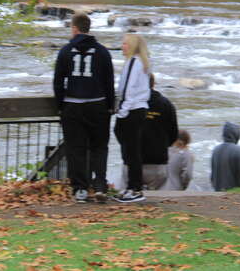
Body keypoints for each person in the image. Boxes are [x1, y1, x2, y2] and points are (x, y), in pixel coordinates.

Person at [53, 12, 115, 204]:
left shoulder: (65, 51)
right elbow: (109, 82)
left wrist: (60, 105)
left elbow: (58, 81)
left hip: (72, 105)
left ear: (74, 28)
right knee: (99, 147)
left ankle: (80, 188)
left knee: (76, 148)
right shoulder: (102, 52)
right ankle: (100, 185)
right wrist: (110, 105)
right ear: (89, 28)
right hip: (97, 104)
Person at [117, 73, 178, 190]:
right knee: (155, 200)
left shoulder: (127, 104)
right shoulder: (166, 104)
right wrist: (162, 145)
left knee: (130, 198)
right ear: (153, 84)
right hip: (157, 163)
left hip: (130, 162)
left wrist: (126, 146)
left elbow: (119, 131)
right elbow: (173, 134)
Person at [113, 33, 151, 203]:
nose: (122, 46)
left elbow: (128, 89)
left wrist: (121, 111)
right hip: (139, 108)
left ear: (132, 46)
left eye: (125, 44)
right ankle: (132, 187)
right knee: (132, 149)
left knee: (131, 150)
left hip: (132, 110)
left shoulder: (134, 63)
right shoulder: (141, 63)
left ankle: (134, 188)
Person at [210, 121, 240, 191]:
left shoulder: (215, 150)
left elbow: (212, 178)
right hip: (234, 195)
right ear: (237, 134)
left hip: (217, 193)